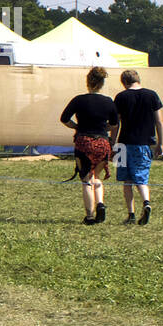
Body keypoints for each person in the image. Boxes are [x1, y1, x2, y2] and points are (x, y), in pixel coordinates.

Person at [61, 66, 119, 224]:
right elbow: (114, 124)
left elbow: (64, 118)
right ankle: (100, 203)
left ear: (88, 82)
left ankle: (90, 216)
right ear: (102, 83)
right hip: (102, 142)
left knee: (86, 179)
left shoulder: (79, 100)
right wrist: (103, 128)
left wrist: (75, 127)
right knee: (97, 176)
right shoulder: (108, 102)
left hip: (84, 142)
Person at [113, 69, 163, 225]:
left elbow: (116, 123)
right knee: (141, 177)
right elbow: (159, 122)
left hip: (123, 144)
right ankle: (146, 202)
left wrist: (113, 143)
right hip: (143, 144)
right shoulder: (152, 95)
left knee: (126, 180)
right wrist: (160, 143)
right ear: (138, 80)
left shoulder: (121, 97)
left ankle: (131, 214)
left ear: (124, 82)